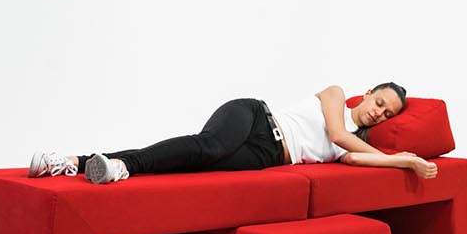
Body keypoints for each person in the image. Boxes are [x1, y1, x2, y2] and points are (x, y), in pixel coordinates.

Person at [27, 82, 440, 184]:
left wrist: (405, 162)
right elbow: (336, 134)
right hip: (255, 118)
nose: (378, 112)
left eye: (386, 114)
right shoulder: (336, 96)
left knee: (194, 163)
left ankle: (84, 163)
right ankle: (107, 165)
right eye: (379, 102)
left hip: (266, 157)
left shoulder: (359, 145)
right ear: (367, 94)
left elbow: (354, 157)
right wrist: (398, 157)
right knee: (208, 146)